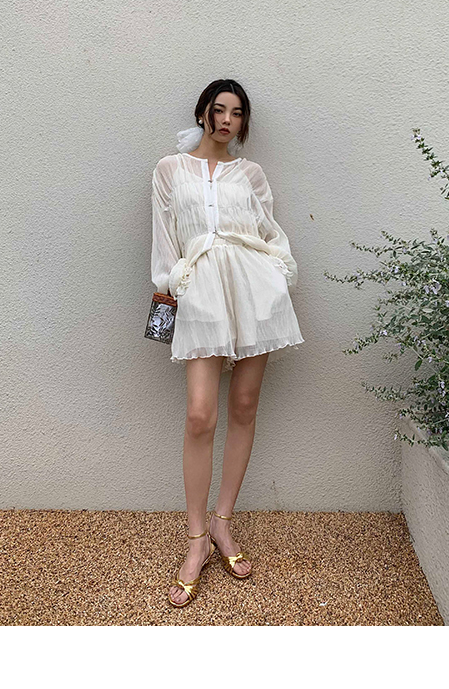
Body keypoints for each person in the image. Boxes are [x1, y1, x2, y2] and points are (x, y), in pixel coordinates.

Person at [150, 78, 304, 607]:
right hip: (201, 291)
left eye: (237, 114)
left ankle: (222, 522)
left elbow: (270, 232)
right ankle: (196, 539)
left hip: (255, 292)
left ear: (243, 123)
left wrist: (278, 274)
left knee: (244, 405)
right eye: (219, 110)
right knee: (200, 414)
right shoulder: (170, 170)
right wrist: (168, 289)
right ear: (203, 113)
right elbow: (165, 242)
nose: (226, 121)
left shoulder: (250, 174)